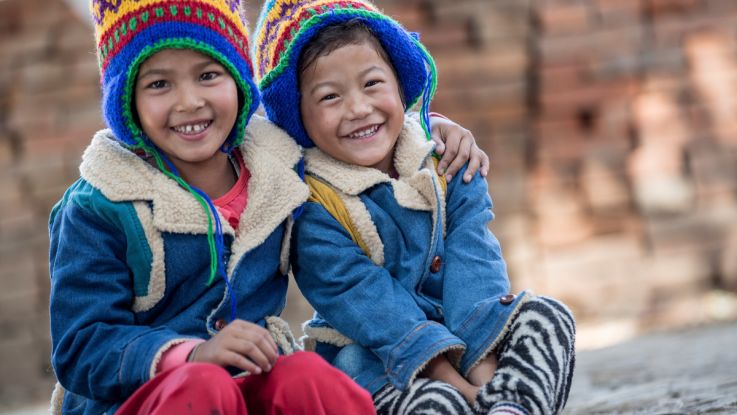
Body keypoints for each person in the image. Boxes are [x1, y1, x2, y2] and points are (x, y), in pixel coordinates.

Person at [48, 0, 485, 414]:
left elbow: (349, 132)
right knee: (205, 384)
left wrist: (436, 131)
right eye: (159, 83)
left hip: (250, 379)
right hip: (140, 397)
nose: (189, 102)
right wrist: (192, 354)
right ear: (127, 101)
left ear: (239, 81)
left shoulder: (275, 166)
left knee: (308, 376)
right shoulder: (102, 204)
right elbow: (81, 345)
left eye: (208, 75)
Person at [252, 1, 577, 414]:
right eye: (330, 96)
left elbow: (474, 259)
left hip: (475, 334)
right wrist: (463, 389)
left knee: (547, 317)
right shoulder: (313, 206)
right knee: (435, 401)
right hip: (379, 358)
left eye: (372, 84)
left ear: (400, 85)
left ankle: (511, 409)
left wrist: (485, 375)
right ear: (300, 116)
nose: (358, 108)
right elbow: (372, 307)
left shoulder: (446, 160)